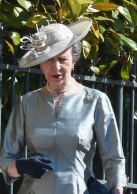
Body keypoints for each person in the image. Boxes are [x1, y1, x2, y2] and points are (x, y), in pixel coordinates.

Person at [0, 18, 127, 194]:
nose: (56, 67)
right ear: (41, 63)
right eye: (49, 60)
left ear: (74, 61)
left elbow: (114, 160)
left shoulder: (96, 101)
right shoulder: (26, 103)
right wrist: (22, 166)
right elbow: (6, 163)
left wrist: (117, 190)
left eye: (62, 59)